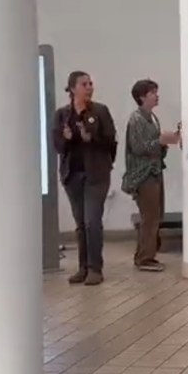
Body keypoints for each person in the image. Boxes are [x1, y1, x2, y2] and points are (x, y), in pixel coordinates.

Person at [53, 71, 118, 286]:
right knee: (80, 223)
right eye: (84, 84)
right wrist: (67, 139)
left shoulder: (100, 111)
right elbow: (57, 146)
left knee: (92, 221)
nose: (89, 87)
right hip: (72, 175)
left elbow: (111, 141)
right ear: (73, 89)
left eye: (91, 83)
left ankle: (95, 268)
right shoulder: (62, 115)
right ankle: (82, 267)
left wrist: (91, 138)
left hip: (96, 174)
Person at [122, 79, 180, 272]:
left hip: (154, 172)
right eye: (152, 92)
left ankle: (146, 254)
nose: (157, 96)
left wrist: (164, 143)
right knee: (150, 216)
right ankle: (145, 258)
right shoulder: (136, 119)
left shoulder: (152, 118)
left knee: (155, 215)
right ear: (141, 97)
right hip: (143, 175)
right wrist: (160, 141)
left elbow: (154, 147)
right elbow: (138, 148)